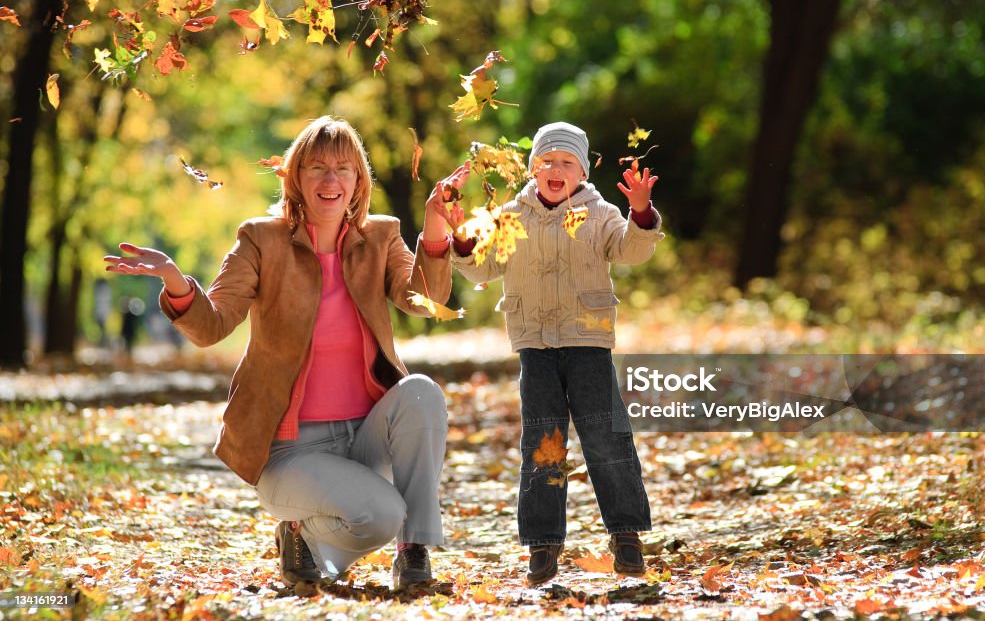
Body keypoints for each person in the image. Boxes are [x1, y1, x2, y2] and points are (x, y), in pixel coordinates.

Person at [104, 116, 468, 590]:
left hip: (365, 439)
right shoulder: (262, 239)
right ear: (296, 177)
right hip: (291, 452)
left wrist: (436, 227)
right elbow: (212, 325)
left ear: (359, 179)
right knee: (380, 517)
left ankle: (414, 551)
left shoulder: (380, 236)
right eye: (317, 168)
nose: (331, 180)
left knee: (421, 392)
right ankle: (298, 530)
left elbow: (423, 299)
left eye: (343, 168)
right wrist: (176, 282)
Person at [450, 121, 663, 586]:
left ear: (582, 173)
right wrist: (463, 241)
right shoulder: (510, 215)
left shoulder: (600, 212)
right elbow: (483, 266)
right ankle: (543, 545)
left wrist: (641, 213)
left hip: (588, 341)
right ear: (531, 168)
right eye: (547, 161)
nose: (556, 169)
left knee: (607, 439)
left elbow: (630, 252)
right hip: (535, 344)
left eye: (567, 162)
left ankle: (626, 536)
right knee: (543, 447)